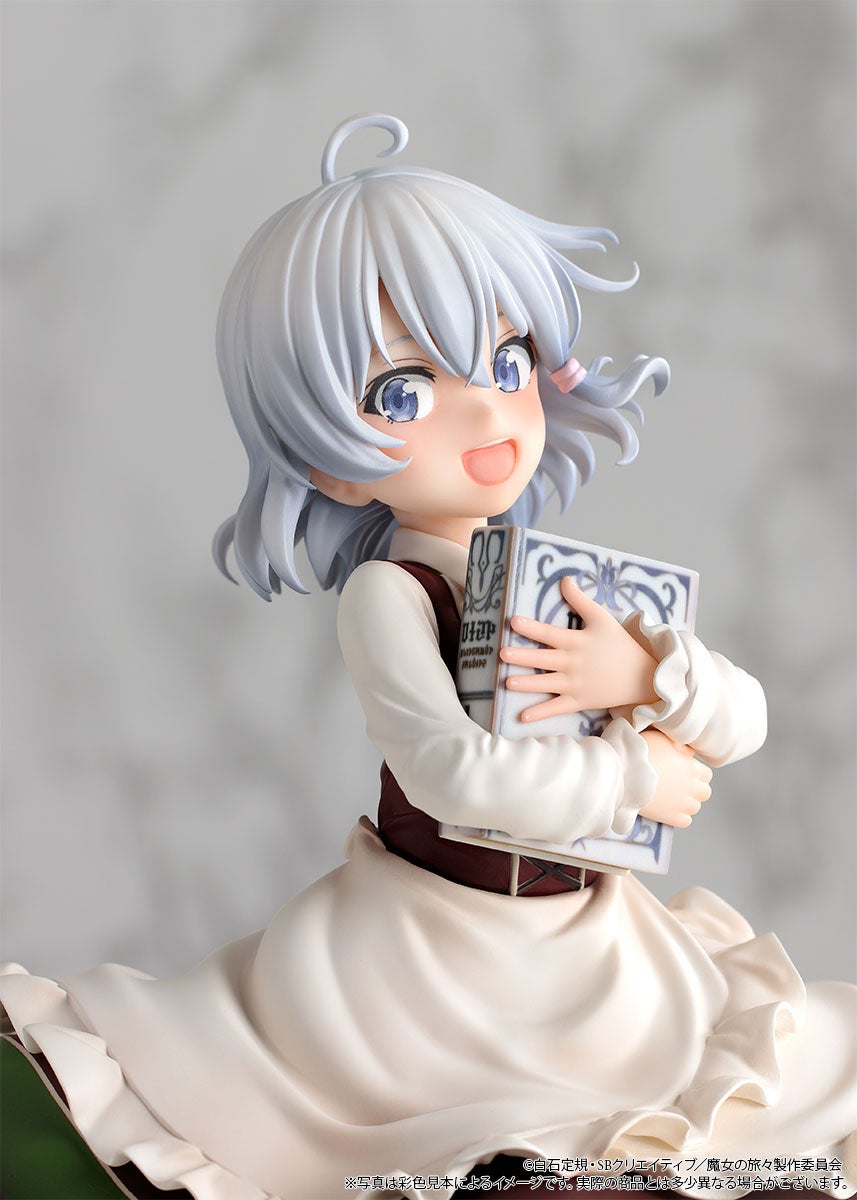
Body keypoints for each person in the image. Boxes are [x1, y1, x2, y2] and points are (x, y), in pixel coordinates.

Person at [2, 114, 855, 1200]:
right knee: (498, 1153)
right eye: (402, 391)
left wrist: (651, 678)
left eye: (505, 360)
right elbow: (452, 775)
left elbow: (744, 722)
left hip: (596, 940)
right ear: (328, 461)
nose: (483, 407)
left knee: (767, 1100)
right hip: (438, 961)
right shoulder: (391, 593)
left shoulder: (571, 585)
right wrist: (626, 773)